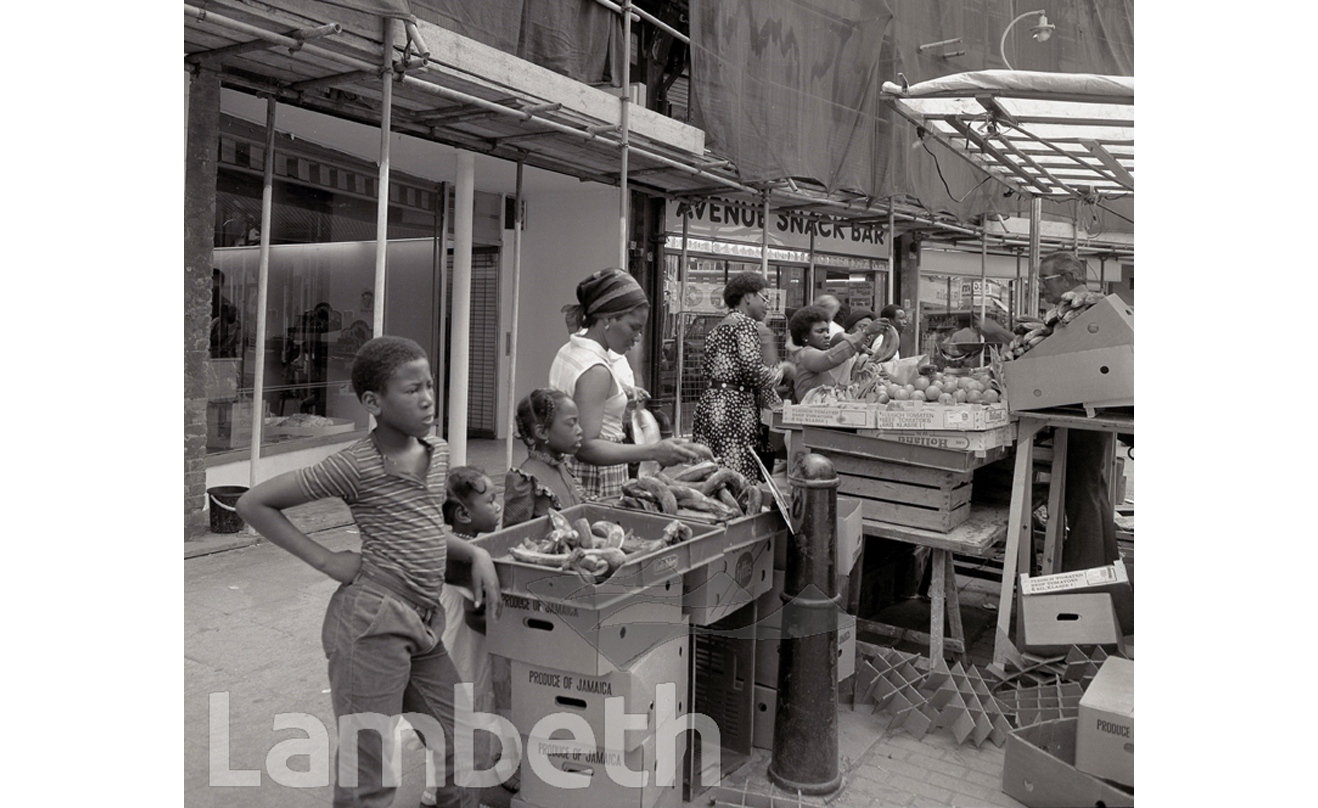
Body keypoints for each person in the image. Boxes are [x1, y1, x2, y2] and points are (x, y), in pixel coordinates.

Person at [235, 336, 500, 808]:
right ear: (373, 402)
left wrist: (475, 553)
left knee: (462, 739)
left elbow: (421, 526)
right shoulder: (354, 466)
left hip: (422, 621)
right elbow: (254, 503)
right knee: (369, 773)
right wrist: (329, 560)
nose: (426, 399)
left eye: (430, 386)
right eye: (411, 389)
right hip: (370, 625)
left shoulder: (436, 452)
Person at [550, 269, 711, 499]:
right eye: (634, 327)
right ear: (608, 319)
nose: (638, 338)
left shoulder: (570, 350)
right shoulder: (595, 369)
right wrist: (654, 451)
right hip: (596, 477)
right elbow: (586, 447)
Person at [1037, 250, 1122, 571]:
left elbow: (1056, 359)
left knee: (1081, 492)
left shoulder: (1084, 310)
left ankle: (1084, 573)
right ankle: (1107, 565)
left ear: (1069, 278)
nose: (1042, 289)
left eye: (1045, 281)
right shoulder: (1081, 308)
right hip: (1092, 409)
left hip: (1082, 411)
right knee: (1092, 487)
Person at [691, 272, 788, 480]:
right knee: (736, 477)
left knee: (709, 474)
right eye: (765, 298)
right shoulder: (745, 324)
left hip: (710, 406)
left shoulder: (720, 326)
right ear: (748, 297)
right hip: (734, 411)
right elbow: (754, 373)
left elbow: (707, 370)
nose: (768, 305)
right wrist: (780, 372)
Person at [503, 388, 586, 527]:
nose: (580, 430)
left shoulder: (564, 467)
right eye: (572, 424)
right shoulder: (525, 480)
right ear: (542, 432)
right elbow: (513, 537)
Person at [789, 305, 886, 402]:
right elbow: (830, 358)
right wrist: (865, 332)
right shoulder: (805, 354)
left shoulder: (816, 353)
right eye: (820, 331)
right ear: (804, 336)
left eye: (827, 331)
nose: (826, 336)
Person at [784, 294, 844, 359]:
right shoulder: (837, 329)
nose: (827, 335)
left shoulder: (836, 328)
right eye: (820, 331)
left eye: (827, 331)